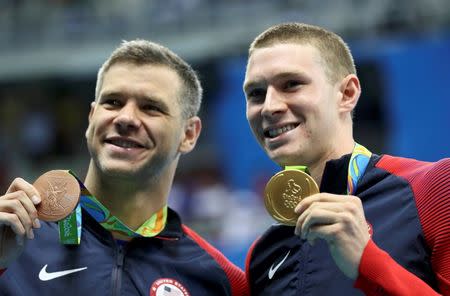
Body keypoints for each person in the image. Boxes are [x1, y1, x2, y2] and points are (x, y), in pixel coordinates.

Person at [0, 39, 248, 295]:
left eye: (151, 107)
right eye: (113, 102)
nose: (126, 118)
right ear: (91, 118)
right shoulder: (14, 239)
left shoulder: (224, 280)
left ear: (189, 134)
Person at [243, 22, 450, 295]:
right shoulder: (262, 254)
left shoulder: (433, 189)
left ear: (347, 94)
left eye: (292, 84)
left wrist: (368, 261)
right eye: (256, 94)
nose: (269, 106)